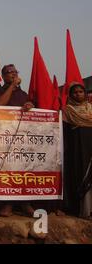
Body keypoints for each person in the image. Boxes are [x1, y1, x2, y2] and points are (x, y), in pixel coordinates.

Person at [0, 64, 34, 217]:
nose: (13, 75)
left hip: (21, 137)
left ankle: (25, 203)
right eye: (10, 73)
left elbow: (30, 110)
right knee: (7, 169)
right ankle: (7, 203)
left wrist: (30, 106)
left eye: (15, 72)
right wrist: (13, 86)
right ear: (3, 76)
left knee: (23, 169)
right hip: (3, 135)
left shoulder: (23, 94)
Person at [63, 83, 92, 218]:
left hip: (90, 148)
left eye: (81, 92)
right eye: (75, 92)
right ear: (70, 95)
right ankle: (80, 210)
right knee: (79, 174)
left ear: (85, 94)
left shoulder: (90, 109)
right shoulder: (67, 111)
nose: (78, 94)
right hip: (76, 149)